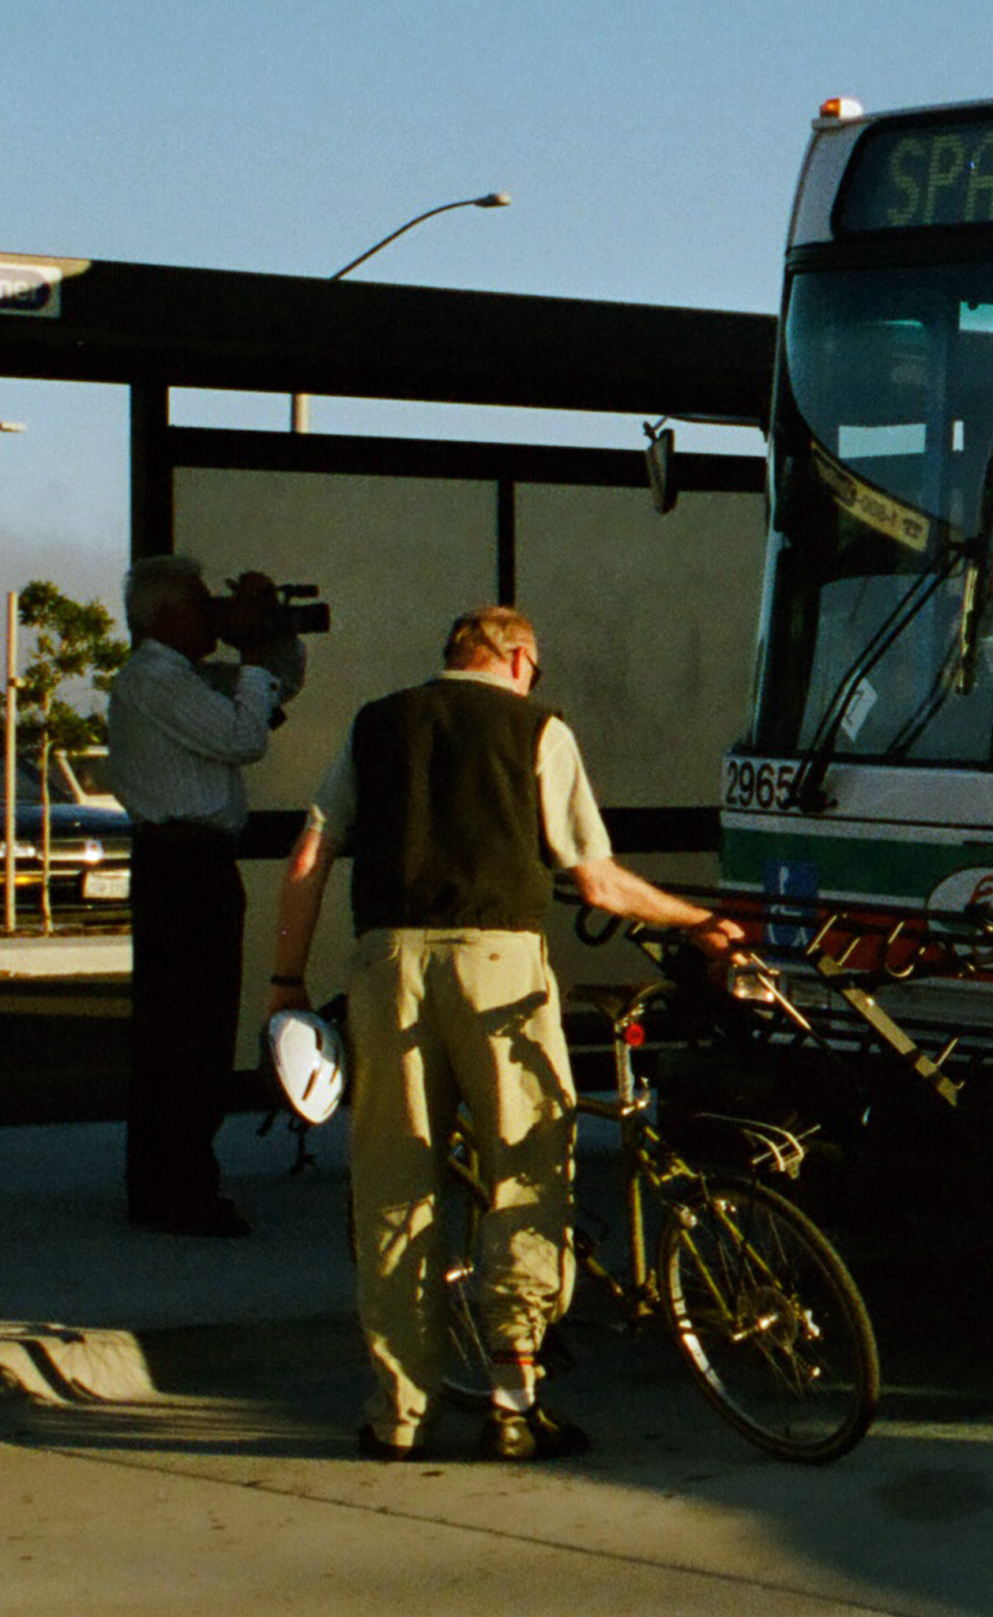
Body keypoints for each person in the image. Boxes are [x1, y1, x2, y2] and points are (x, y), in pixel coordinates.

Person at [265, 604, 745, 1463]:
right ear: (521, 659)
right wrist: (698, 919)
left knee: (392, 1189)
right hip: (497, 965)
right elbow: (595, 882)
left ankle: (398, 1414)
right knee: (524, 1168)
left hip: (386, 966)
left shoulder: (376, 722)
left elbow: (309, 856)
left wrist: (284, 984)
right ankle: (515, 1401)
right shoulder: (537, 728)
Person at [103, 555, 306, 1236]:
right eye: (201, 601)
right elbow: (245, 736)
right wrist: (249, 646)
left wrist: (270, 628)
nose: (211, 612)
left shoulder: (181, 679)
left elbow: (276, 691)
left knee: (189, 1029)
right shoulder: (155, 680)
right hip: (181, 865)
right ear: (166, 615)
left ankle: (168, 1179)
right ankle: (178, 1187)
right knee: (188, 1032)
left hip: (192, 863)